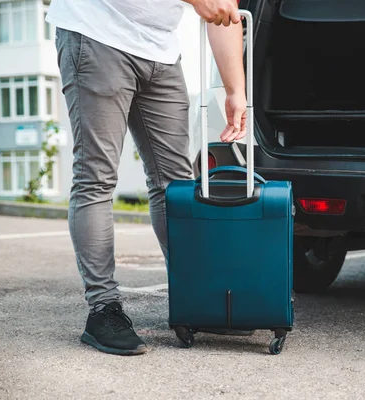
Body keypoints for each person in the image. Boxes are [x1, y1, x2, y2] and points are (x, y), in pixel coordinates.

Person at [46, 0, 249, 356]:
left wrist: (236, 90)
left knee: (176, 186)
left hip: (160, 51)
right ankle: (103, 310)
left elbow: (224, 10)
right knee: (96, 178)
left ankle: (195, 298)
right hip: (96, 32)